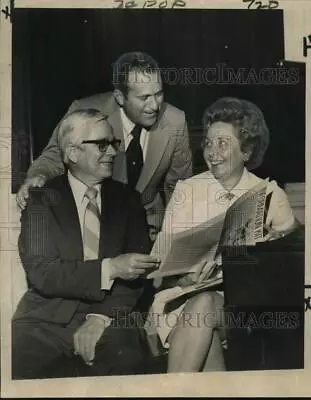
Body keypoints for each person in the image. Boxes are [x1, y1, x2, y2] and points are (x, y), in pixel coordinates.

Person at [149, 97, 299, 373]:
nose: (212, 152)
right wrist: (183, 275)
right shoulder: (187, 190)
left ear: (246, 151)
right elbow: (157, 265)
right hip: (184, 296)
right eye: (208, 142)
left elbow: (290, 267)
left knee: (203, 310)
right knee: (204, 325)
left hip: (246, 306)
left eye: (223, 143)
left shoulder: (270, 195)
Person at [12, 109, 161, 379]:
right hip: (46, 318)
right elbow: (42, 272)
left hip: (111, 315)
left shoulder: (128, 199)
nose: (114, 152)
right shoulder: (40, 201)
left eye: (114, 143)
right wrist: (109, 268)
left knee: (126, 356)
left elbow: (138, 273)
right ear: (72, 153)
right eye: (101, 144)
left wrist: (100, 318)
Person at [16, 51, 193, 239]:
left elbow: (181, 188)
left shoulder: (175, 121)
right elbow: (53, 157)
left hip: (151, 230)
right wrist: (37, 177)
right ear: (119, 97)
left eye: (158, 94)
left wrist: (177, 238)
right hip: (100, 228)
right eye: (144, 98)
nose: (155, 106)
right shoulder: (85, 112)